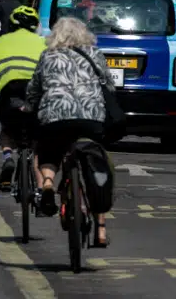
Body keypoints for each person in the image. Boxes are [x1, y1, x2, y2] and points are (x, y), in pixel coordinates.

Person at [26, 16, 113, 246]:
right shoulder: (95, 54)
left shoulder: (48, 55)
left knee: (48, 151)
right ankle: (101, 230)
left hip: (56, 116)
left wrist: (31, 105)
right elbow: (108, 84)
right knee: (96, 168)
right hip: (90, 118)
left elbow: (34, 88)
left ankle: (47, 183)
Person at [0, 5, 46, 191]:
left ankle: (8, 158)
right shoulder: (44, 43)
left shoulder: (0, 42)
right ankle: (42, 189)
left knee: (7, 131)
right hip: (36, 93)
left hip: (9, 92)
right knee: (37, 141)